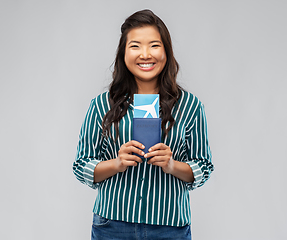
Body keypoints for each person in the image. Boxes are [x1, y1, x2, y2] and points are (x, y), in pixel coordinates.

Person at [73, 9, 214, 240]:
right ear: (124, 53)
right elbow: (82, 164)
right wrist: (116, 164)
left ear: (166, 52)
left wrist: (172, 165)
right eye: (136, 45)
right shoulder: (102, 105)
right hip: (113, 225)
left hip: (170, 226)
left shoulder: (190, 106)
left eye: (154, 45)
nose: (145, 54)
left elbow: (203, 167)